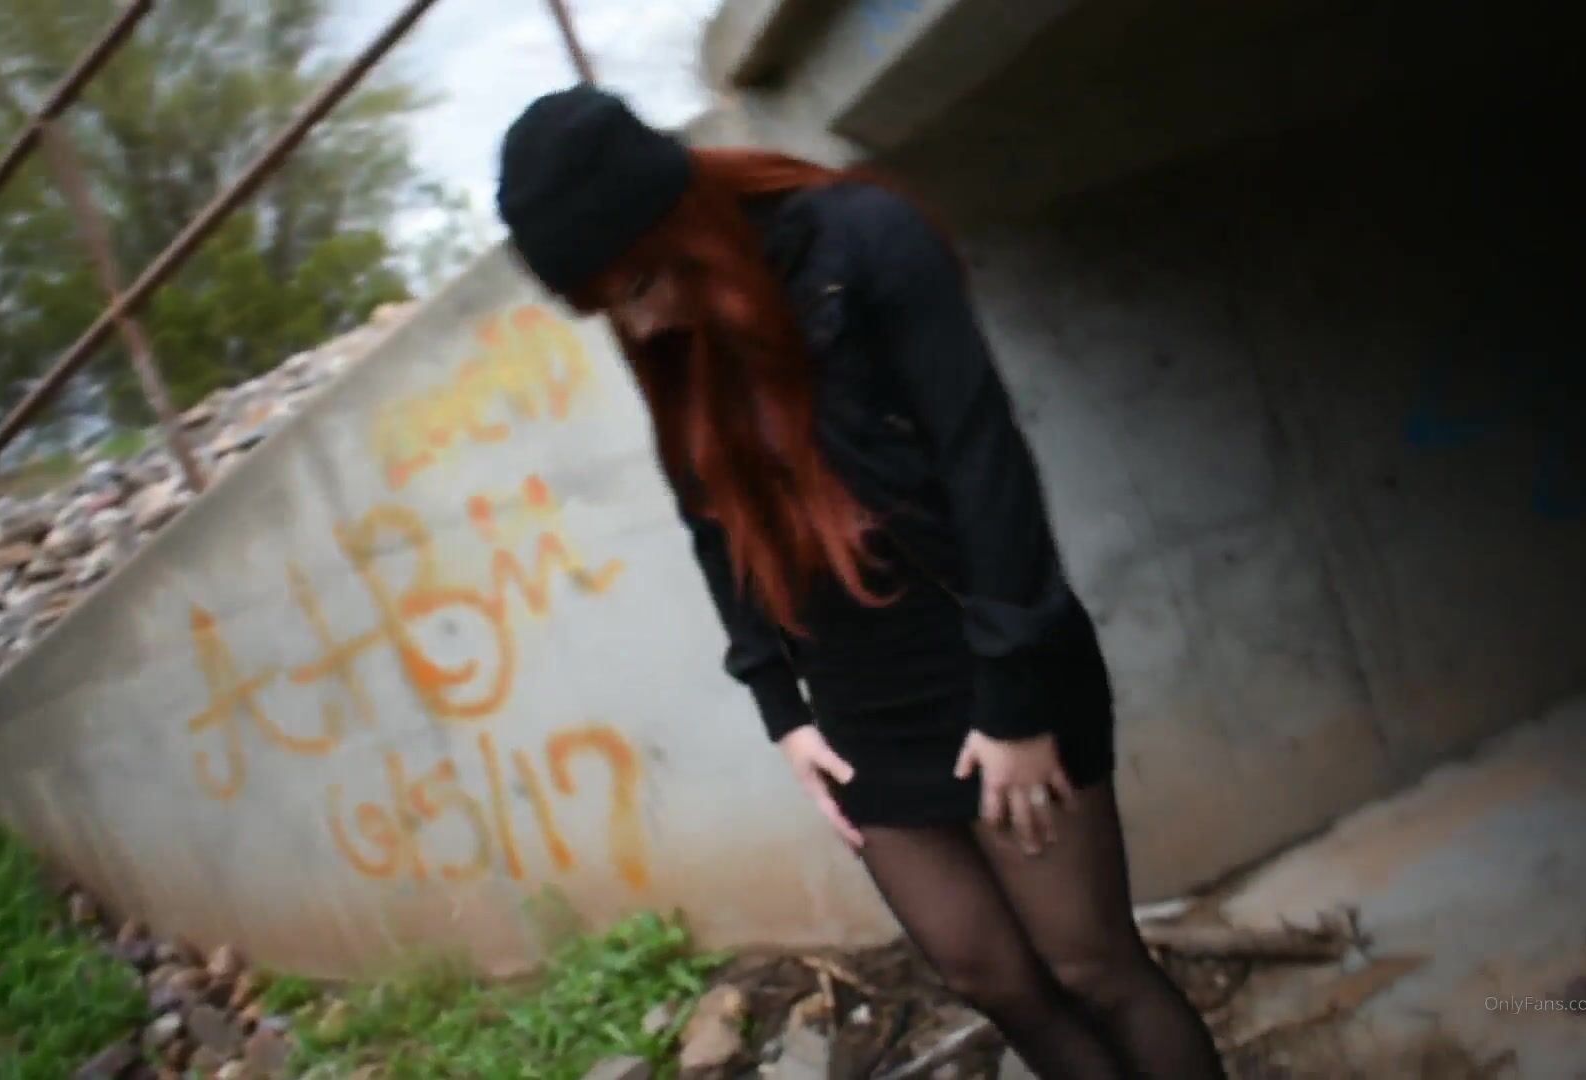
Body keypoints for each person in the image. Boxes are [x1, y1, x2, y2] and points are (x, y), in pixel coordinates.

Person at [496, 85, 1225, 1078]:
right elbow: (712, 521)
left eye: (642, 285)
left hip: (983, 659)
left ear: (683, 225)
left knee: (1090, 965)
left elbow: (986, 464)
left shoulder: (864, 238)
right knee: (989, 975)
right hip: (859, 709)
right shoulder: (677, 344)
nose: (646, 322)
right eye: (612, 309)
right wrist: (782, 711)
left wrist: (1016, 703)